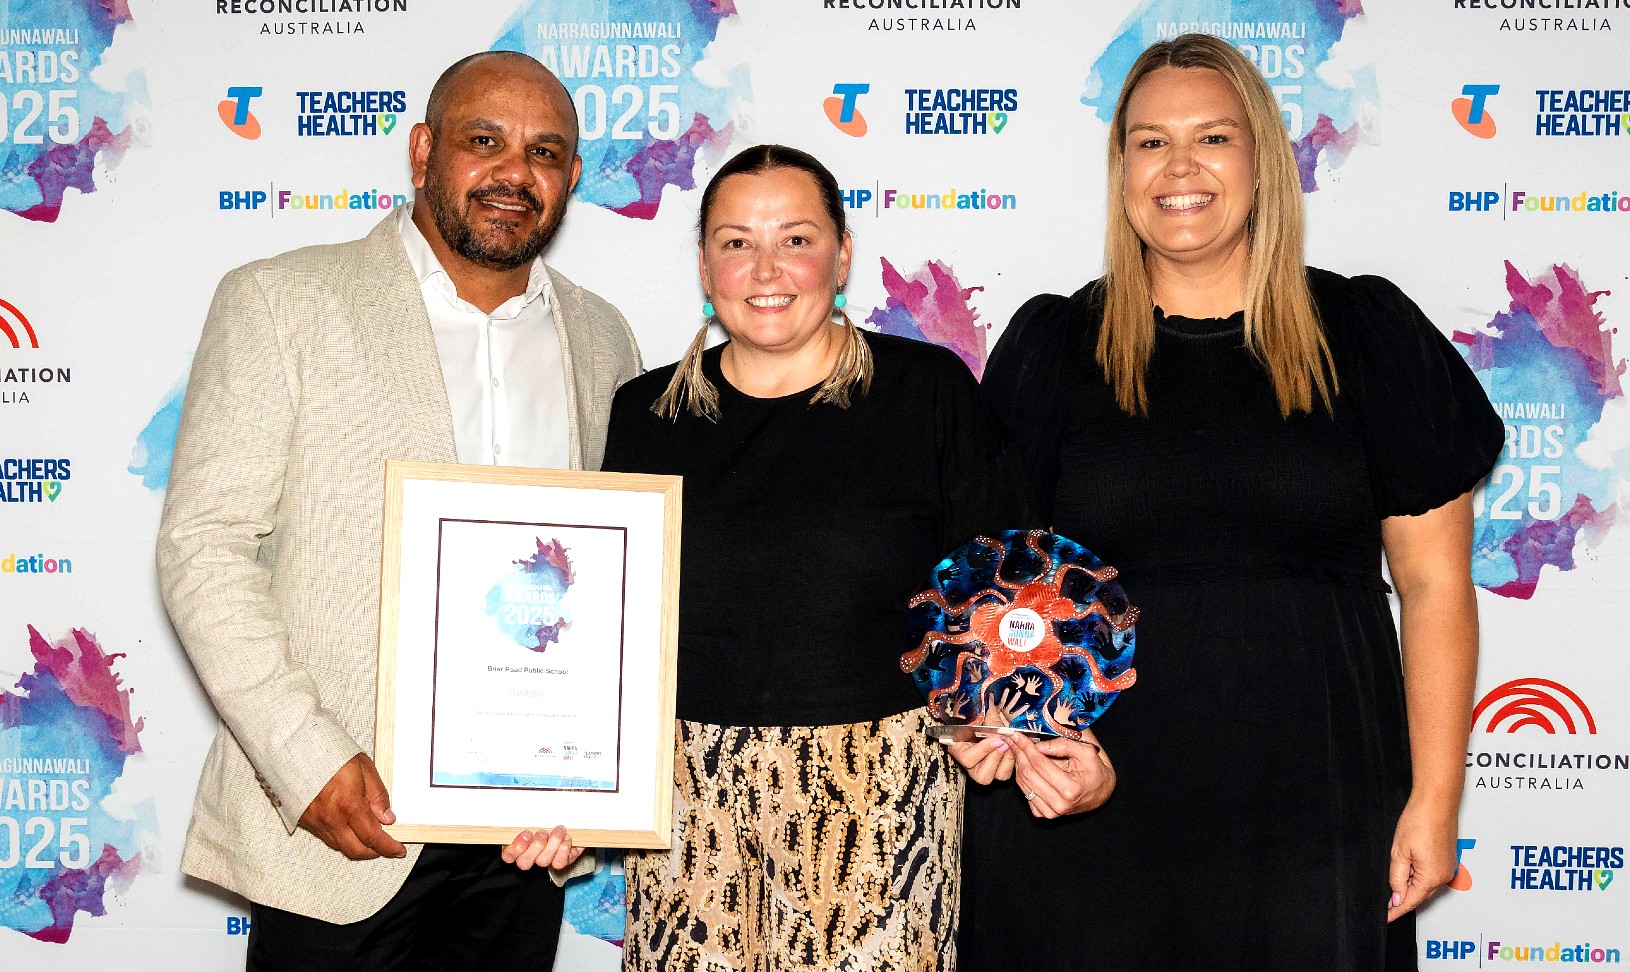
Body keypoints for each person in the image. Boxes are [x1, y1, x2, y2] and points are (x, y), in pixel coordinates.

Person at [960, 33, 1503, 971]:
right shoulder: (1054, 348)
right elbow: (994, 599)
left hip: (1319, 800)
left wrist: (1434, 800)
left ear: (1263, 162)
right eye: (1150, 141)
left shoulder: (1365, 335)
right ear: (1121, 168)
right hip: (1094, 806)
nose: (1180, 167)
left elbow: (1436, 588)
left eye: (1212, 137)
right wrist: (1006, 732)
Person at [156, 50, 641, 971]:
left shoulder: (603, 336)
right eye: (483, 141)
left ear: (573, 176)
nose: (514, 172)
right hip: (346, 821)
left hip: (525, 834)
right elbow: (204, 549)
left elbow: (612, 580)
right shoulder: (282, 301)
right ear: (423, 151)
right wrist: (305, 758)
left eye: (544, 152)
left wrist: (596, 776)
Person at [593, 143, 1034, 971]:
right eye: (736, 242)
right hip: (688, 804)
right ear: (704, 265)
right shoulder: (646, 414)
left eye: (796, 239)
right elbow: (606, 631)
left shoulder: (928, 391)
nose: (766, 269)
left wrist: (999, 722)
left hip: (882, 801)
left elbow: (1005, 595)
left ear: (842, 256)